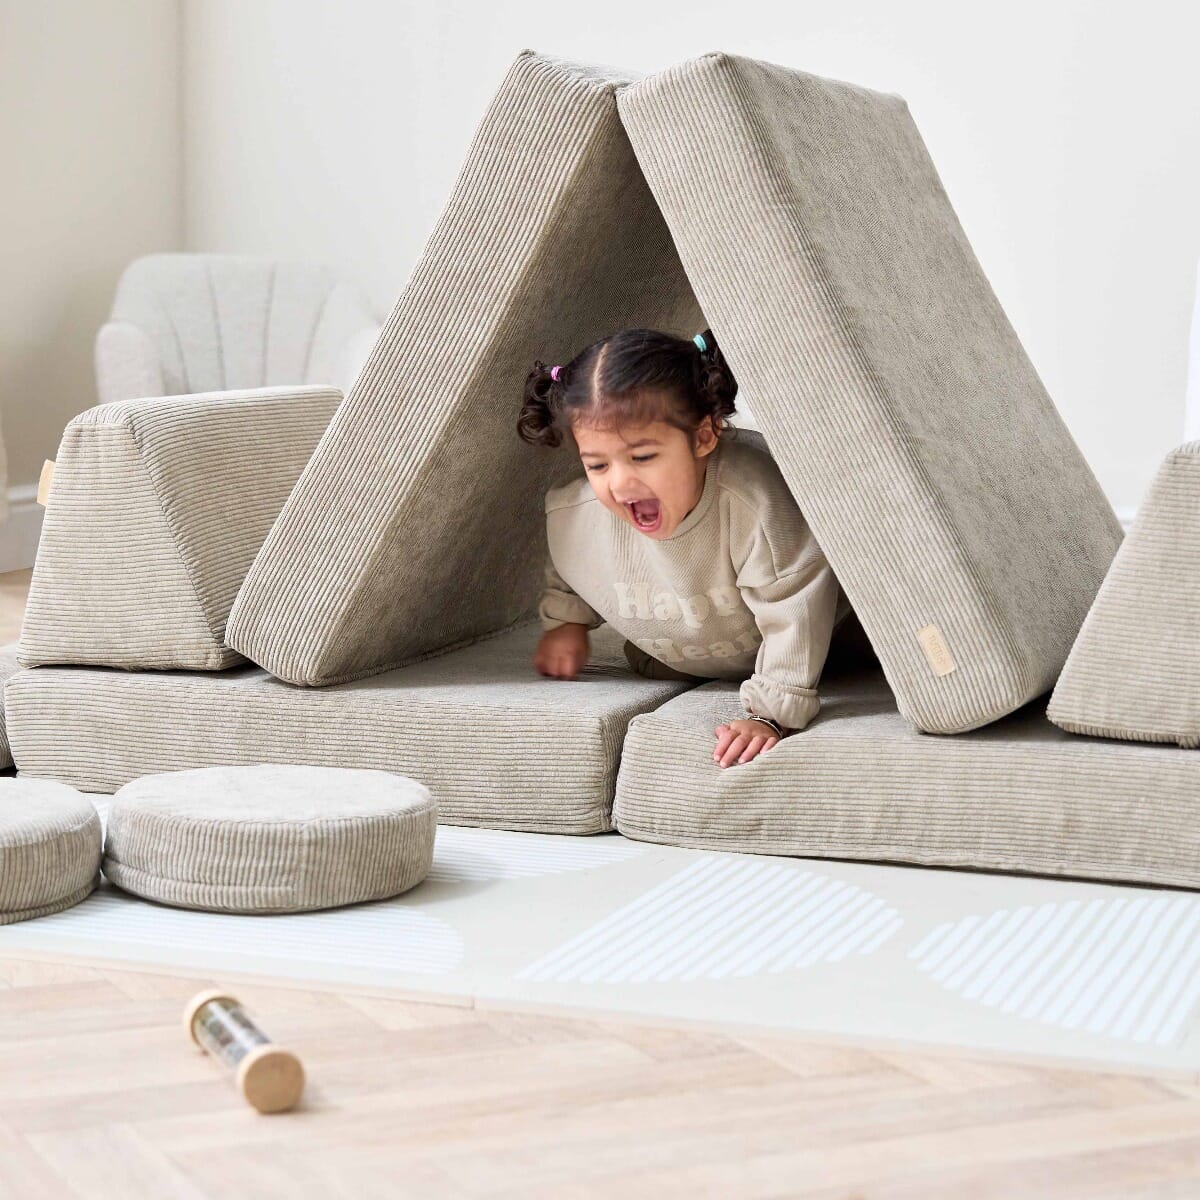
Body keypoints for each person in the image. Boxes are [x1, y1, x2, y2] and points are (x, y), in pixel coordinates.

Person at [516, 327, 849, 768]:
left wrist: (772, 714)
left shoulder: (753, 500)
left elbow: (796, 602)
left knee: (831, 641)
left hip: (829, 644)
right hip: (686, 654)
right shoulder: (574, 512)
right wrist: (566, 624)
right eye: (597, 463)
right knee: (642, 652)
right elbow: (573, 560)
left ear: (703, 436)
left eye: (643, 456)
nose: (619, 482)